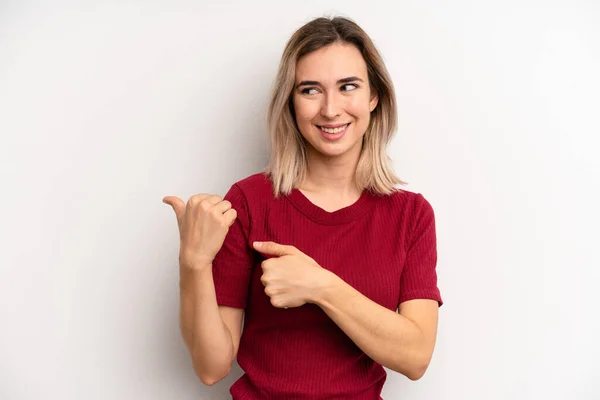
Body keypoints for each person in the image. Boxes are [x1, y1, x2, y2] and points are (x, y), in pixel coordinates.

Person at [163, 15, 442, 400]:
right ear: (290, 102)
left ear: (373, 96)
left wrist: (320, 286)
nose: (330, 109)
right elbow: (211, 368)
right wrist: (193, 263)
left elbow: (416, 357)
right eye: (310, 90)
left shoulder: (410, 215)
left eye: (348, 87)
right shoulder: (248, 202)